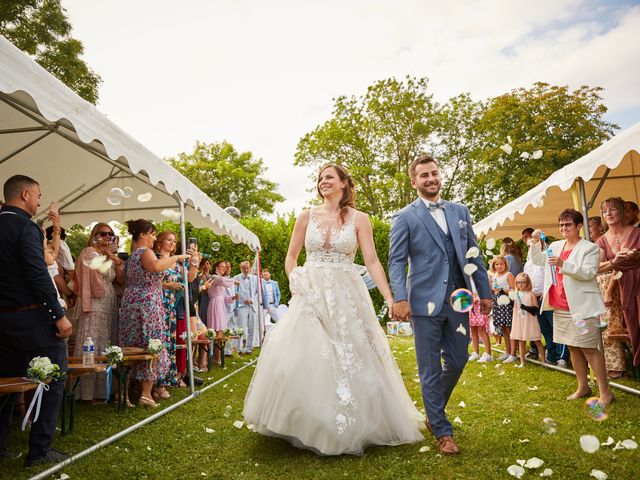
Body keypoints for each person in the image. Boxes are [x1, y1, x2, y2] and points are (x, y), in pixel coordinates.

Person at [244, 163, 424, 456]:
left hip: (346, 294)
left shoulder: (360, 219)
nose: (322, 182)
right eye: (319, 179)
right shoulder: (305, 216)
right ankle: (303, 422)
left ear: (343, 183)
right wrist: (295, 277)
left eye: (329, 177)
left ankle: (355, 423)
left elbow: (373, 261)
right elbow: (291, 257)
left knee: (351, 353)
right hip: (310, 292)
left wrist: (390, 298)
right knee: (309, 353)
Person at [388, 154, 492, 455]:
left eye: (434, 173)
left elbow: (473, 254)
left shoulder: (460, 211)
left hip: (458, 300)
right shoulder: (404, 217)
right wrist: (401, 298)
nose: (431, 179)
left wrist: (484, 291)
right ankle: (442, 430)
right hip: (422, 302)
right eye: (424, 175)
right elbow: (396, 261)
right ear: (414, 181)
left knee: (459, 360)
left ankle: (433, 413)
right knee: (429, 367)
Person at [0, 175, 72, 467]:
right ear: (26, 193)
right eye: (39, 195)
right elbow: (37, 274)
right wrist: (59, 314)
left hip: (3, 321)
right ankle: (39, 451)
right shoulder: (23, 227)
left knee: (5, 384)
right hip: (31, 318)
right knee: (54, 377)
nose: (40, 201)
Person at [530, 209, 613, 406]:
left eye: (567, 224)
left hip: (581, 306)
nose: (563, 228)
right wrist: (535, 244)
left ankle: (605, 393)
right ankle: (583, 386)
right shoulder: (557, 245)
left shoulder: (589, 248)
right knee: (573, 347)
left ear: (578, 226)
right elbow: (538, 260)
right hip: (560, 305)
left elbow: (588, 273)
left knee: (589, 348)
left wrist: (562, 263)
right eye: (561, 224)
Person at [118, 220, 192, 407]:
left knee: (130, 345)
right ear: (142, 235)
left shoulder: (132, 256)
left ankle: (125, 394)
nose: (153, 238)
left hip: (131, 301)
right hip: (148, 303)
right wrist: (177, 257)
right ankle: (145, 394)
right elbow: (156, 267)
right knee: (153, 343)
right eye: (152, 234)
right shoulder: (145, 252)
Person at [74, 223, 124, 401]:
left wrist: (116, 261)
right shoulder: (89, 252)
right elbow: (97, 268)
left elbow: (119, 279)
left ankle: (103, 392)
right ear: (94, 235)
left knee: (104, 344)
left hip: (108, 304)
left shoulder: (106, 256)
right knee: (92, 344)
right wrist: (110, 257)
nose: (106, 237)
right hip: (94, 305)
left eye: (110, 234)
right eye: (102, 233)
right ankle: (86, 394)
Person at [597, 197, 640, 368]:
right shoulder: (601, 240)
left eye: (612, 209)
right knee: (633, 324)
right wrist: (614, 261)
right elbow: (597, 267)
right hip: (622, 286)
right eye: (605, 211)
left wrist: (636, 255)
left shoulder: (637, 232)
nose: (608, 213)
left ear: (622, 212)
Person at [522, 227, 568, 366]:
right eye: (525, 239)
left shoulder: (547, 254)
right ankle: (552, 353)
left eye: (531, 238)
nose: (528, 241)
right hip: (534, 297)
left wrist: (544, 292)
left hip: (546, 295)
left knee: (556, 326)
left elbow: (552, 275)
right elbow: (528, 279)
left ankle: (563, 356)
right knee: (545, 328)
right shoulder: (529, 261)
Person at [511, 273, 545, 368]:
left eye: (523, 282)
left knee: (537, 340)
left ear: (528, 283)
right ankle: (522, 362)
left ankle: (543, 361)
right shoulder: (516, 294)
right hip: (520, 321)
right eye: (518, 282)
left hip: (530, 321)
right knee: (521, 341)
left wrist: (525, 307)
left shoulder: (531, 294)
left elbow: (535, 309)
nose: (520, 284)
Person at [205, 260, 236, 364]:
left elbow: (223, 297)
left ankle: (217, 358)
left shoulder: (220, 278)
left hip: (221, 305)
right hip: (214, 305)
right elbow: (223, 282)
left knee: (220, 331)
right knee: (214, 331)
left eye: (225, 267)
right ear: (216, 268)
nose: (224, 268)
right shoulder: (214, 277)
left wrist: (233, 298)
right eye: (222, 266)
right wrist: (234, 281)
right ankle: (210, 356)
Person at [490, 256, 517, 363]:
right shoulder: (494, 276)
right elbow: (493, 289)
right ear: (494, 265)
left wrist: (503, 290)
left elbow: (514, 290)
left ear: (505, 264)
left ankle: (513, 353)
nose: (499, 266)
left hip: (506, 303)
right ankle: (507, 351)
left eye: (501, 264)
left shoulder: (508, 275)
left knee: (510, 328)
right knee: (503, 328)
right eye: (497, 264)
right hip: (497, 303)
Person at [233, 261, 259, 355]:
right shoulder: (235, 278)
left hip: (252, 306)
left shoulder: (256, 279)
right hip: (241, 305)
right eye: (244, 268)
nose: (246, 270)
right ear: (241, 268)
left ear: (250, 269)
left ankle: (249, 348)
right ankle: (239, 348)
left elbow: (258, 292)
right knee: (241, 327)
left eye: (248, 268)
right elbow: (234, 292)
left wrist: (251, 300)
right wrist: (243, 299)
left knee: (252, 327)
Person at [468, 291, 493, 363]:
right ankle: (476, 353)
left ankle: (488, 354)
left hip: (480, 305)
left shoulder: (480, 280)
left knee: (482, 330)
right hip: (471, 306)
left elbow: (486, 290)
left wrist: (478, 299)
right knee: (473, 329)